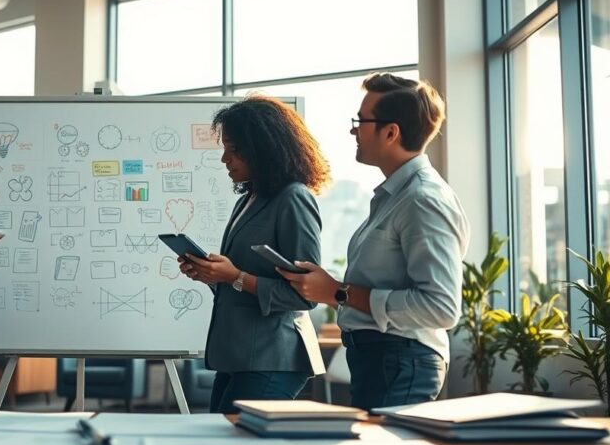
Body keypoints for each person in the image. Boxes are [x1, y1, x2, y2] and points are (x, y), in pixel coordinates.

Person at [278, 73, 469, 410]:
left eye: (361, 121)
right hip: (384, 359)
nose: (354, 130)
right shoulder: (394, 196)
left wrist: (338, 292)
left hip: (400, 360)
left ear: (391, 132)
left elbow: (441, 307)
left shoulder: (423, 199)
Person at [180, 96, 329, 413]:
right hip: (239, 356)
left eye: (234, 149)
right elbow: (239, 283)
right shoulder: (248, 199)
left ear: (263, 148)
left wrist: (234, 277)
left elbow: (306, 296)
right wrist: (211, 274)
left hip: (273, 356)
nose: (224, 159)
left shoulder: (293, 199)